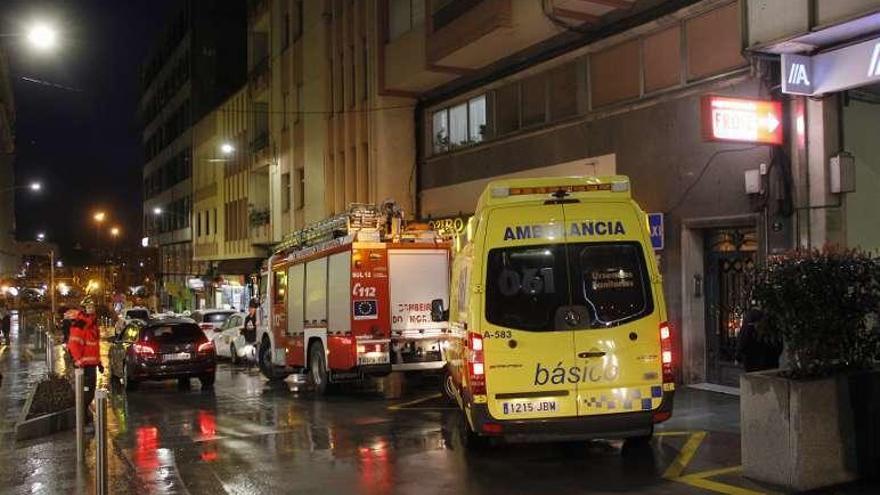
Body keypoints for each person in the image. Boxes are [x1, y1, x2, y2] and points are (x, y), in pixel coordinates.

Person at [67, 297, 104, 424]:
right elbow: (73, 344)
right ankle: (82, 419)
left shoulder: (93, 324)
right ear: (83, 309)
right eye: (89, 307)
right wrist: (78, 361)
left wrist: (99, 362)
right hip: (84, 366)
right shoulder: (80, 324)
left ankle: (84, 416)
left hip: (91, 365)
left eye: (93, 307)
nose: (92, 310)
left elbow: (93, 346)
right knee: (86, 393)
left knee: (90, 392)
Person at [736, 307, 783, 372]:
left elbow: (742, 343)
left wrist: (738, 357)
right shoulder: (770, 326)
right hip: (769, 363)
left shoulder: (749, 324)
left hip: (753, 363)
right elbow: (779, 346)